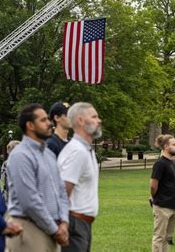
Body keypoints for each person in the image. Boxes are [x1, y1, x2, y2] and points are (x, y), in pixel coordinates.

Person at [7, 103, 69, 252]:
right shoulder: (20, 156)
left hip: (53, 229)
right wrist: (55, 229)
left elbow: (61, 191)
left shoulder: (48, 154)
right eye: (43, 120)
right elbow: (29, 201)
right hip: (29, 229)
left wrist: (64, 222)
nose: (49, 123)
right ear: (30, 125)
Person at [57, 102, 102, 252]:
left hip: (82, 224)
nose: (99, 121)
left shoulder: (85, 149)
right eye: (94, 117)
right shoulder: (77, 152)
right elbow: (63, 191)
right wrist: (63, 223)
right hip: (74, 224)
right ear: (80, 121)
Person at [149, 134, 175, 252]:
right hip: (162, 206)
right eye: (174, 144)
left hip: (174, 206)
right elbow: (153, 185)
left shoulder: (173, 162)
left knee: (167, 238)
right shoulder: (160, 163)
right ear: (166, 146)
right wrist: (154, 197)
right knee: (159, 237)